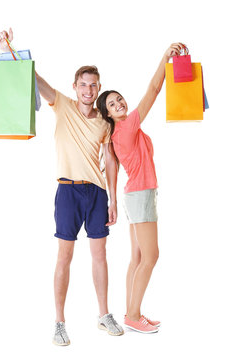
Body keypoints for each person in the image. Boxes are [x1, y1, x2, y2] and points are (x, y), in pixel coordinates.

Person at [0, 28, 124, 346]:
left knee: (99, 255)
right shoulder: (63, 105)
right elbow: (37, 81)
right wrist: (8, 48)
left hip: (96, 193)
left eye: (93, 85)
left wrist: (113, 198)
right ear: (75, 87)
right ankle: (59, 322)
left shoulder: (104, 122)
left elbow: (109, 160)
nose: (88, 89)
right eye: (83, 84)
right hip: (67, 191)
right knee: (64, 255)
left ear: (98, 88)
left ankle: (104, 315)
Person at [96, 43, 186, 334]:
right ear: (108, 114)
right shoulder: (127, 126)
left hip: (136, 195)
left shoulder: (119, 132)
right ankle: (133, 316)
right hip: (141, 194)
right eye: (112, 104)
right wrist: (165, 57)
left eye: (119, 99)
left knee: (137, 257)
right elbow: (153, 90)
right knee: (151, 256)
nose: (119, 104)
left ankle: (132, 312)